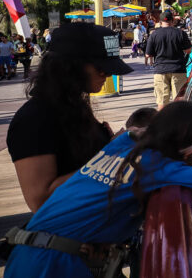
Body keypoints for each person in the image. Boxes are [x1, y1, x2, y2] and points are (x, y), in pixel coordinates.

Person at [0, 100, 192, 278]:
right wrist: (188, 166)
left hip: (30, 263)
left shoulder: (121, 143)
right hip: (53, 277)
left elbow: (135, 133)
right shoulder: (159, 166)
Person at [7, 23, 134, 213]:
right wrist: (111, 153)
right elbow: (40, 200)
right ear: (69, 67)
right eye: (101, 68)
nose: (107, 74)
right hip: (72, 236)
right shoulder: (34, 119)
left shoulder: (72, 106)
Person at [144, 10, 191, 108]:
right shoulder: (180, 33)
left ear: (160, 22)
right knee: (179, 100)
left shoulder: (154, 35)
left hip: (160, 70)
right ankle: (178, 122)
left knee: (162, 100)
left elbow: (148, 54)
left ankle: (162, 122)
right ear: (173, 21)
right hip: (178, 69)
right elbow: (188, 50)